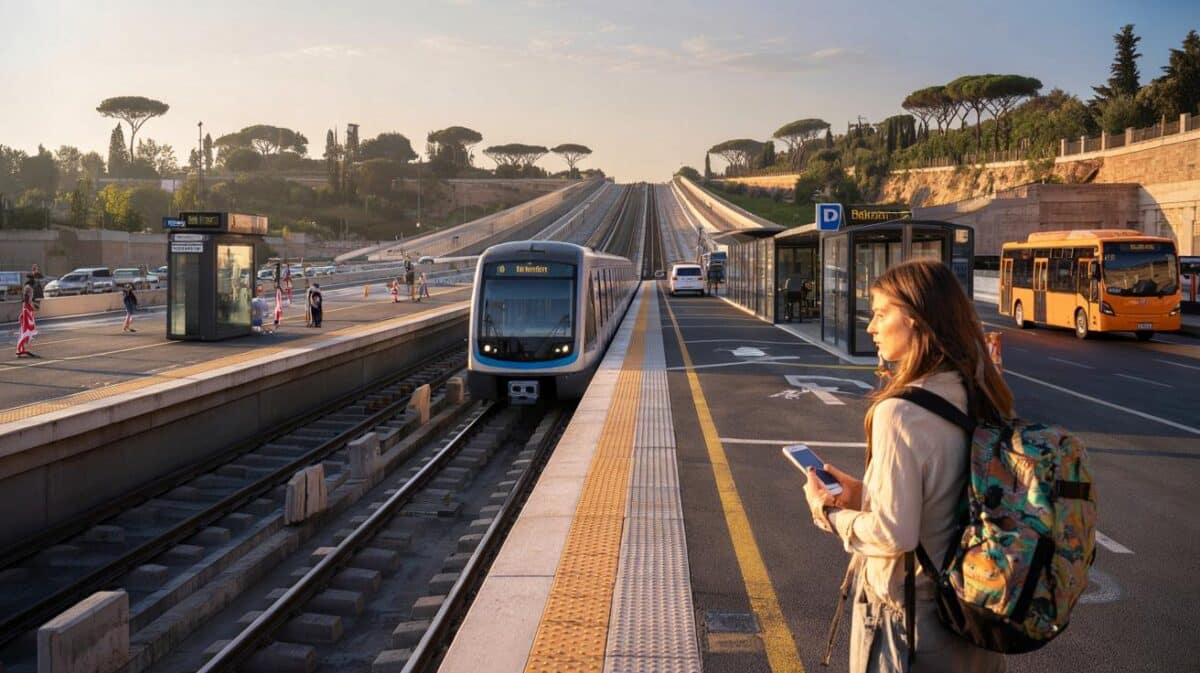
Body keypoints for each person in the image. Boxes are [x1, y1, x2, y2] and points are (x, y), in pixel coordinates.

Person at [803, 259, 1012, 673]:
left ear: (914, 318)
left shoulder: (899, 412)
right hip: (977, 625)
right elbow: (949, 497)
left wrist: (830, 512)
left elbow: (894, 533)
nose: (870, 327)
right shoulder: (982, 393)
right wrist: (865, 494)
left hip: (915, 628)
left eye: (880, 314)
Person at [16, 284, 37, 357]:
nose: (32, 293)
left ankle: (20, 349)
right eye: (31, 292)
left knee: (24, 334)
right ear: (29, 293)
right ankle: (19, 350)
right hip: (26, 321)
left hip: (27, 320)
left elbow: (26, 310)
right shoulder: (27, 302)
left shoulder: (27, 301)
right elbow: (26, 310)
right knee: (24, 334)